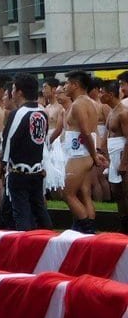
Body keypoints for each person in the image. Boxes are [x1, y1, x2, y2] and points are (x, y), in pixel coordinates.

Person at [54, 71, 107, 233]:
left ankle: (86, 227)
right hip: (81, 153)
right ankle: (84, 225)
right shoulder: (85, 102)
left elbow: (85, 132)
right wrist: (94, 155)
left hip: (79, 155)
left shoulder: (79, 105)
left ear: (75, 85)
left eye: (67, 84)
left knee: (67, 193)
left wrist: (94, 155)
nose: (65, 87)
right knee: (84, 194)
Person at [2, 74, 51, 231]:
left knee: (21, 212)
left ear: (20, 92)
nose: (12, 93)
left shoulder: (18, 113)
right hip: (36, 169)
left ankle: (26, 245)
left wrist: (3, 164)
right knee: (39, 209)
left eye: (14, 89)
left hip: (18, 170)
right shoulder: (42, 112)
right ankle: (48, 238)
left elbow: (8, 140)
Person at [106, 71, 128, 232]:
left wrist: (124, 162)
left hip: (122, 153)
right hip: (113, 153)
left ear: (109, 95)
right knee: (116, 192)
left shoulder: (123, 112)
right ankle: (123, 225)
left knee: (126, 191)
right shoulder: (111, 111)